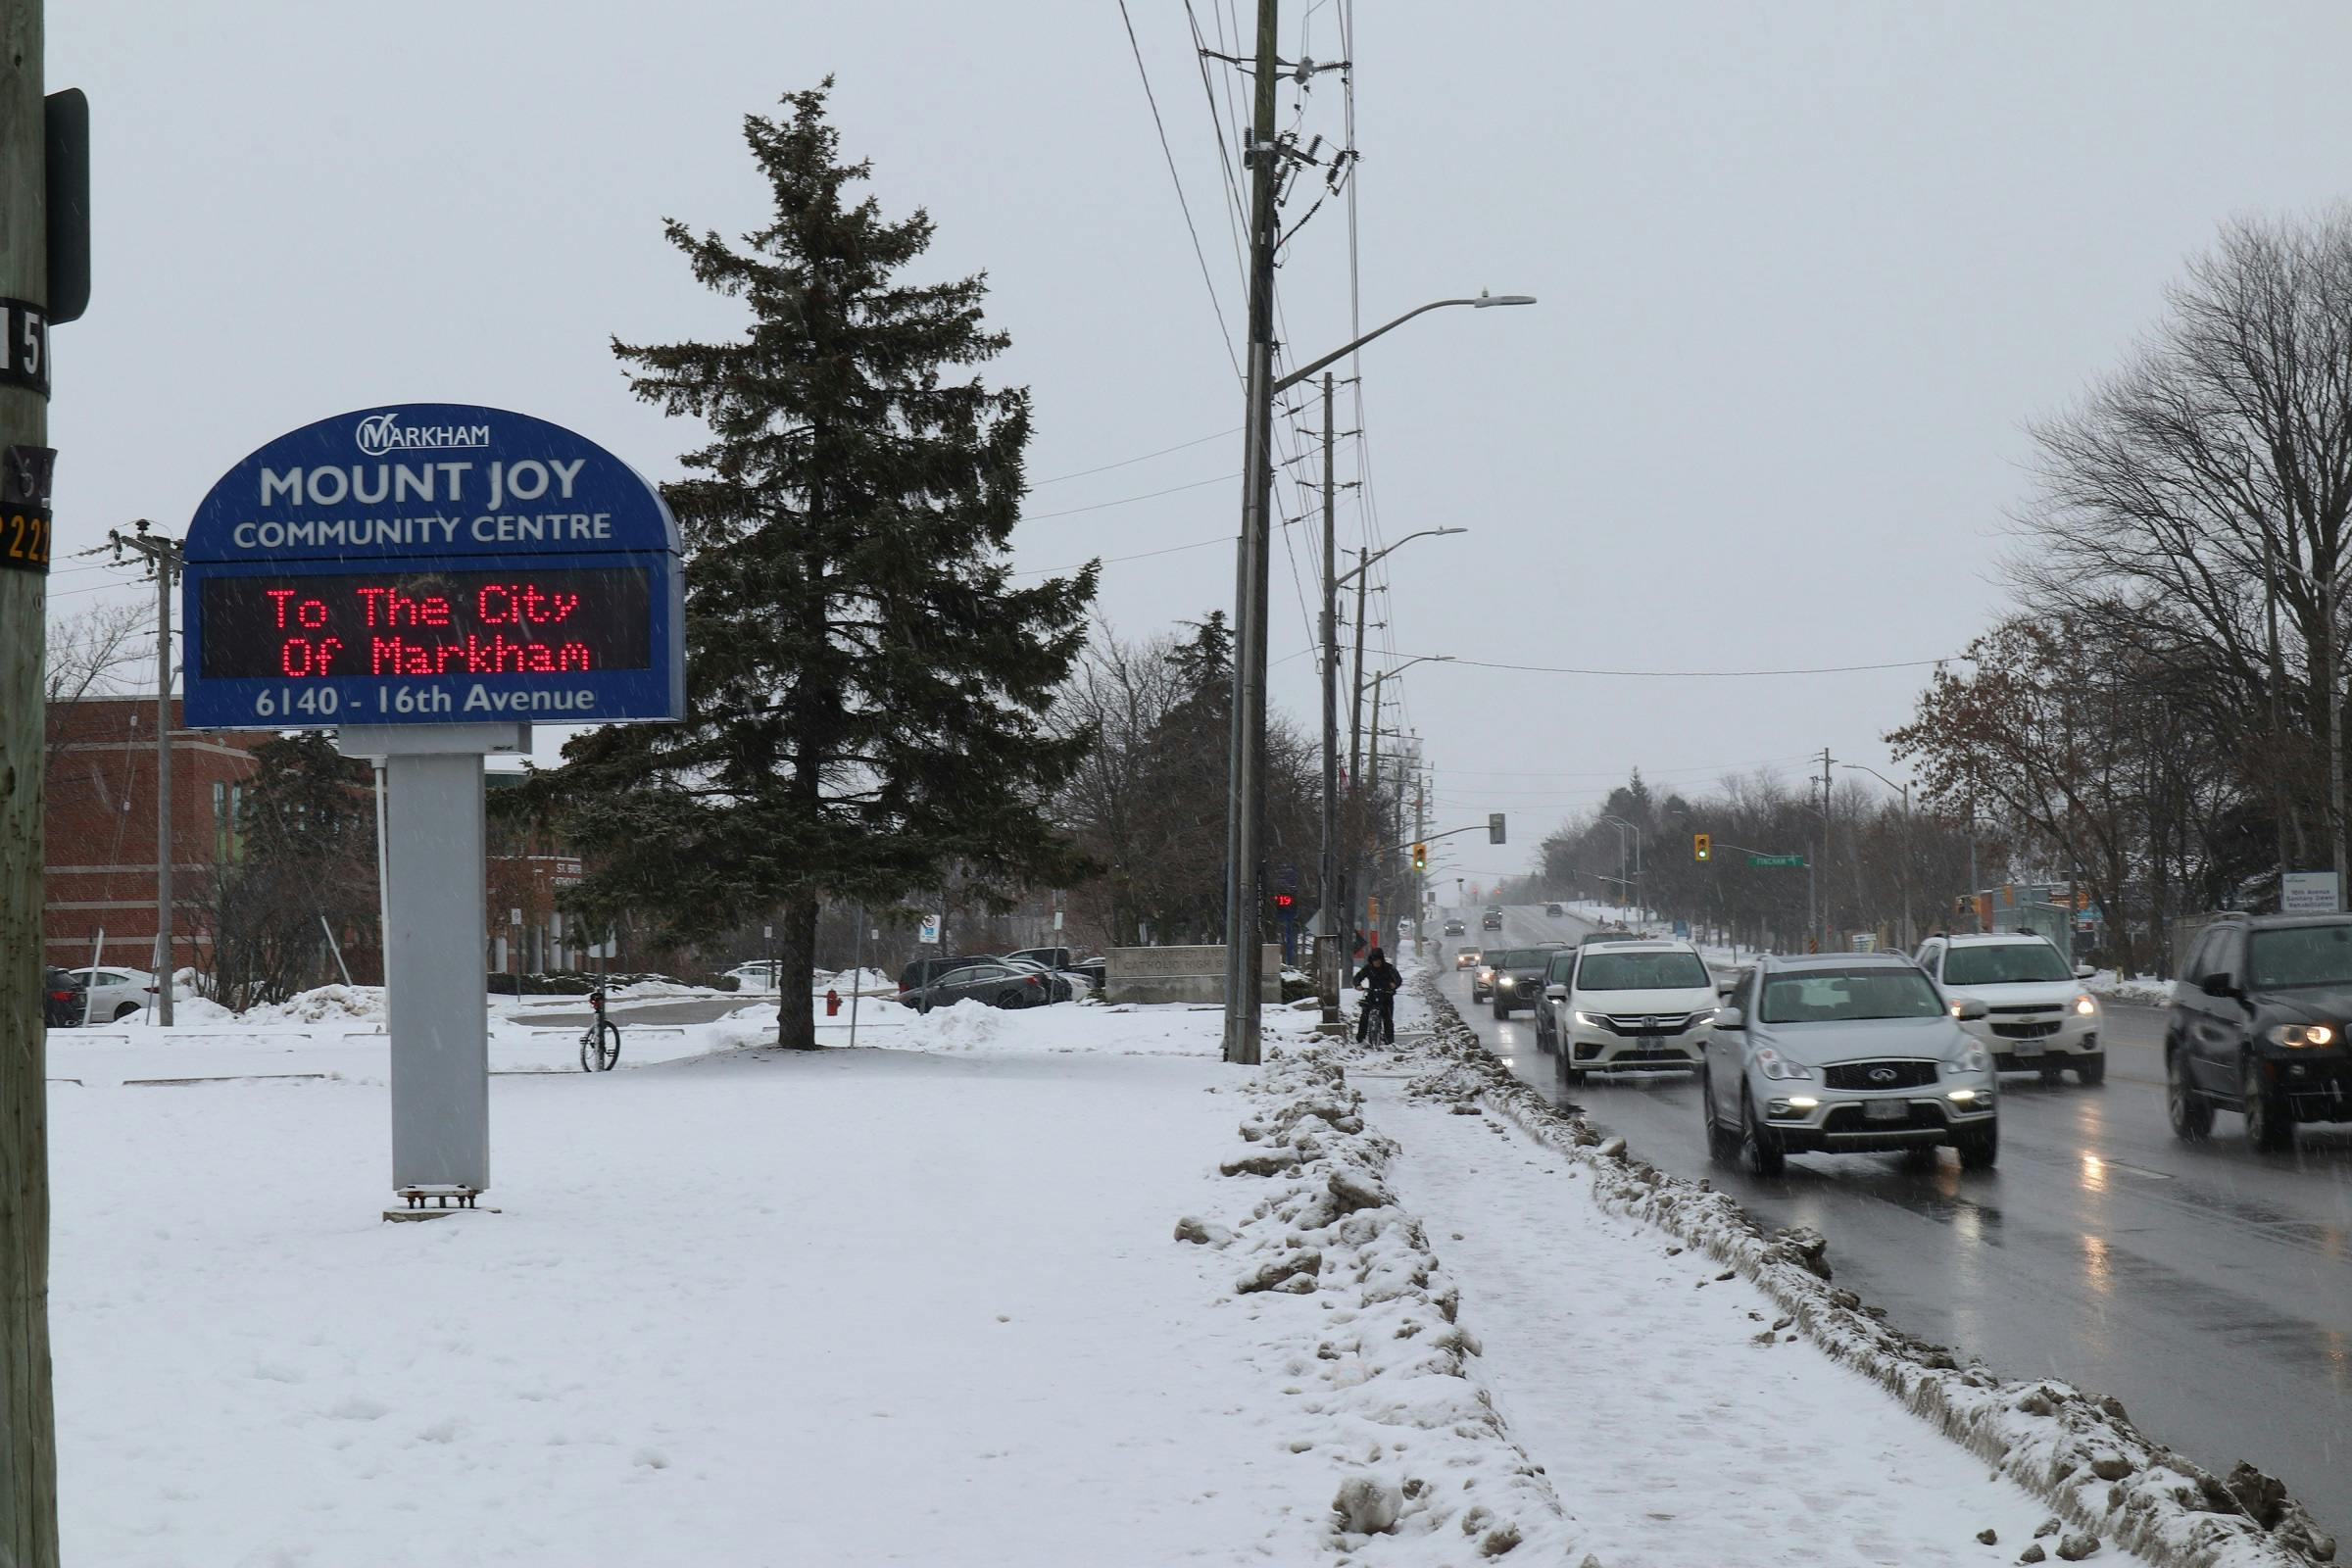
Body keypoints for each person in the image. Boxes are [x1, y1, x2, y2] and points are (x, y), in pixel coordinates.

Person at [1351, 946, 1402, 1044]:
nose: (1377, 962)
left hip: (1386, 996)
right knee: (1364, 1015)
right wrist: (1357, 985)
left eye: (1378, 960)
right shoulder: (1368, 969)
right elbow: (1357, 977)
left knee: (1387, 1018)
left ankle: (1389, 1041)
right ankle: (1360, 1038)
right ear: (1371, 960)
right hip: (1372, 995)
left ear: (1382, 959)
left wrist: (1394, 985)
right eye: (1374, 960)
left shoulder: (1389, 968)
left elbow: (1398, 979)